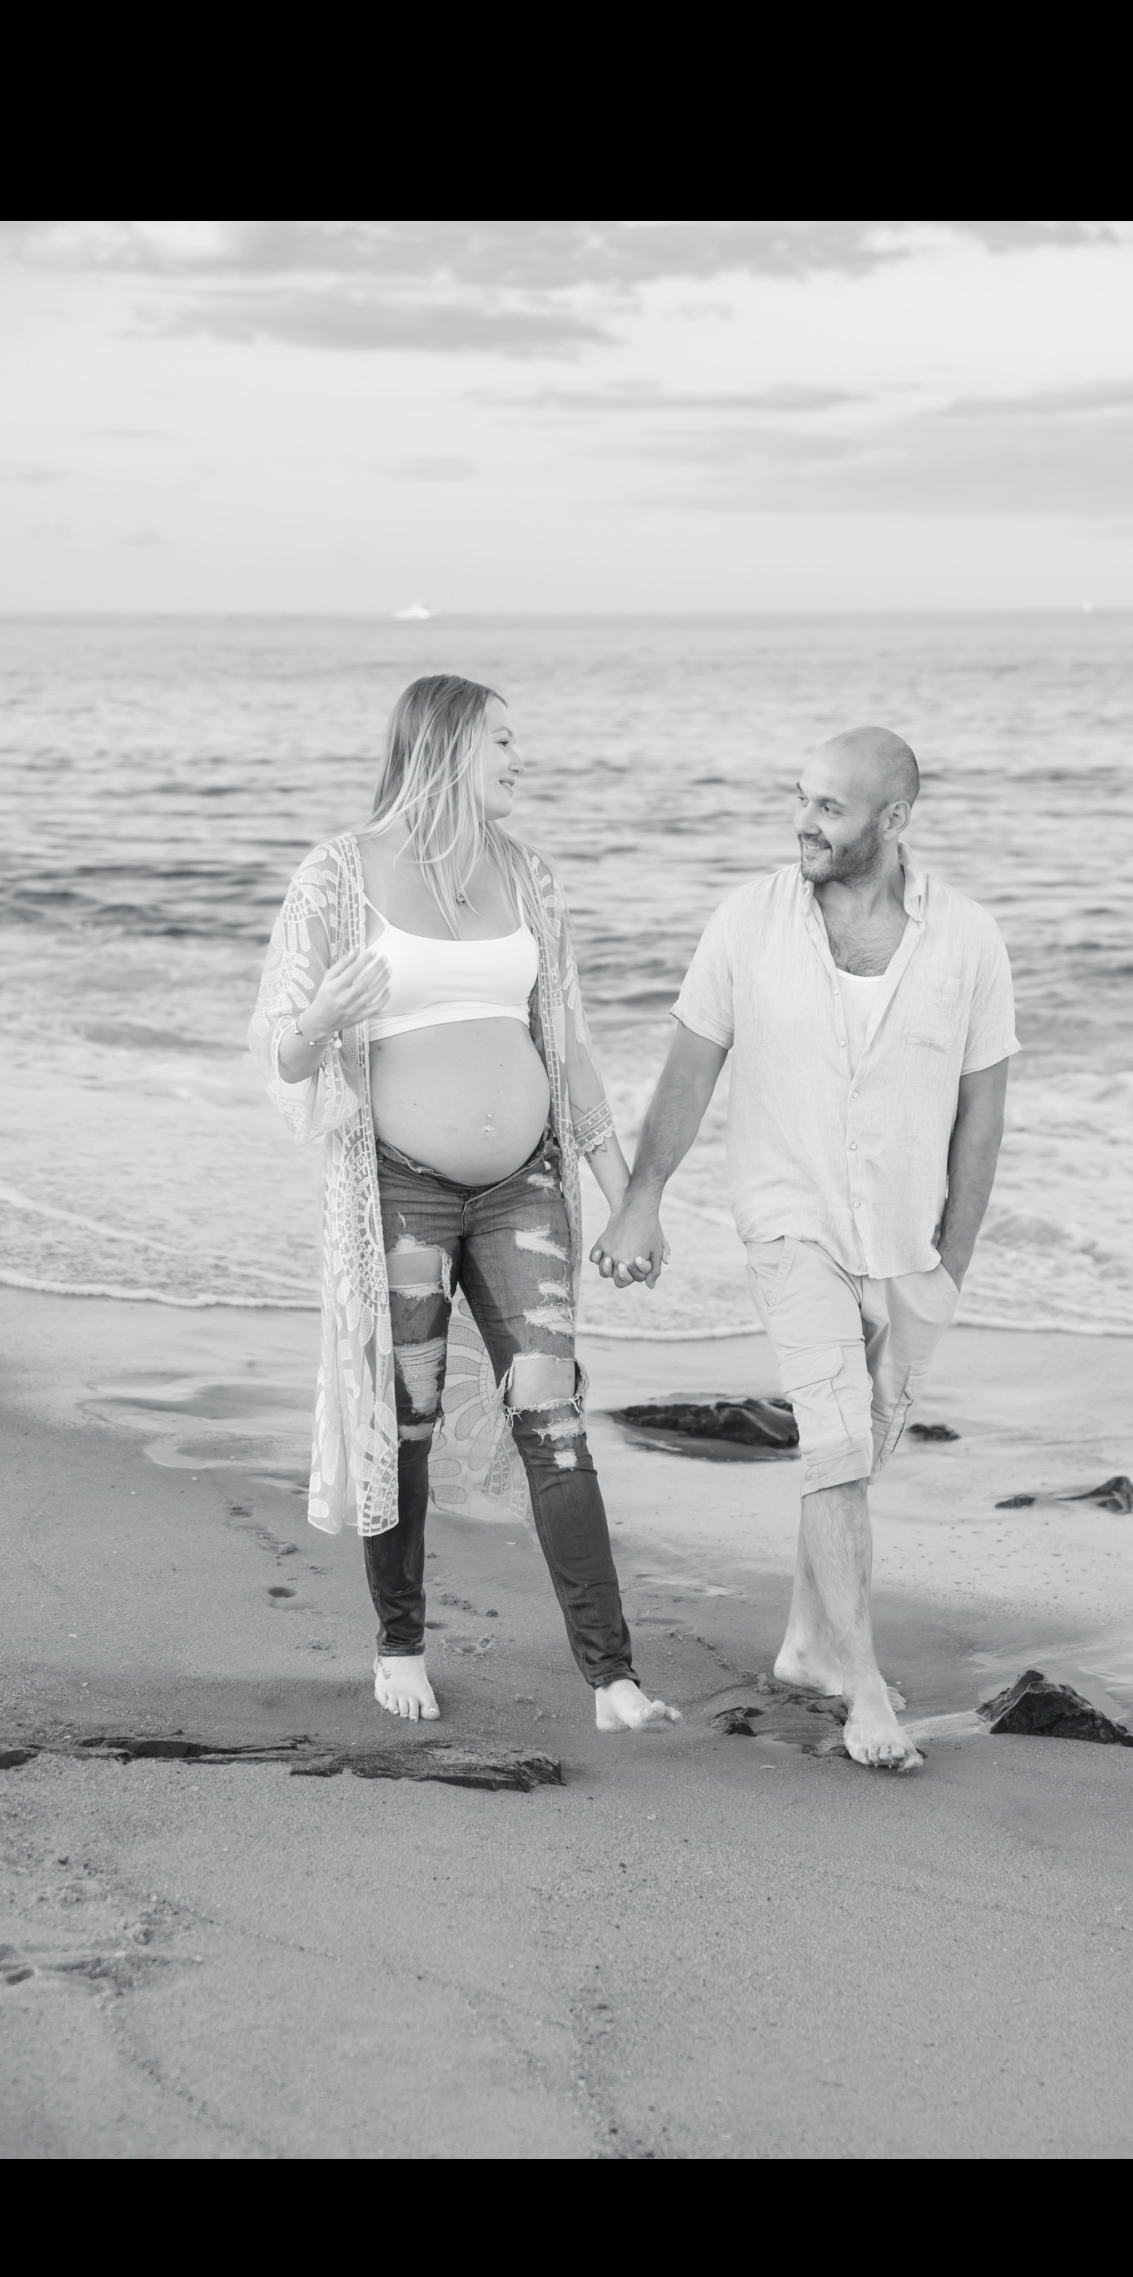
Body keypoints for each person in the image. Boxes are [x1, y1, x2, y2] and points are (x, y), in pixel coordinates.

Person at [249, 673, 680, 1734]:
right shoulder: (339, 875)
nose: (519, 759)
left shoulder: (528, 876)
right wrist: (323, 1018)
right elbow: (283, 1055)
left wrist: (628, 1200)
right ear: (445, 746)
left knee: (554, 1416)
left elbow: (568, 1046)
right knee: (405, 1417)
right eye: (503, 741)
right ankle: (399, 1644)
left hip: (523, 1187)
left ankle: (613, 1679)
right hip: (402, 1191)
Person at [590, 724, 1018, 1772]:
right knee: (832, 1441)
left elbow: (983, 1114)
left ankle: (807, 1646)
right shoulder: (749, 921)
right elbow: (690, 1070)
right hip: (790, 1224)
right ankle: (862, 1688)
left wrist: (953, 1265)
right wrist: (642, 1201)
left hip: (908, 1242)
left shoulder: (969, 940)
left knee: (853, 1455)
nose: (804, 822)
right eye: (801, 798)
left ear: (894, 818)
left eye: (830, 806)